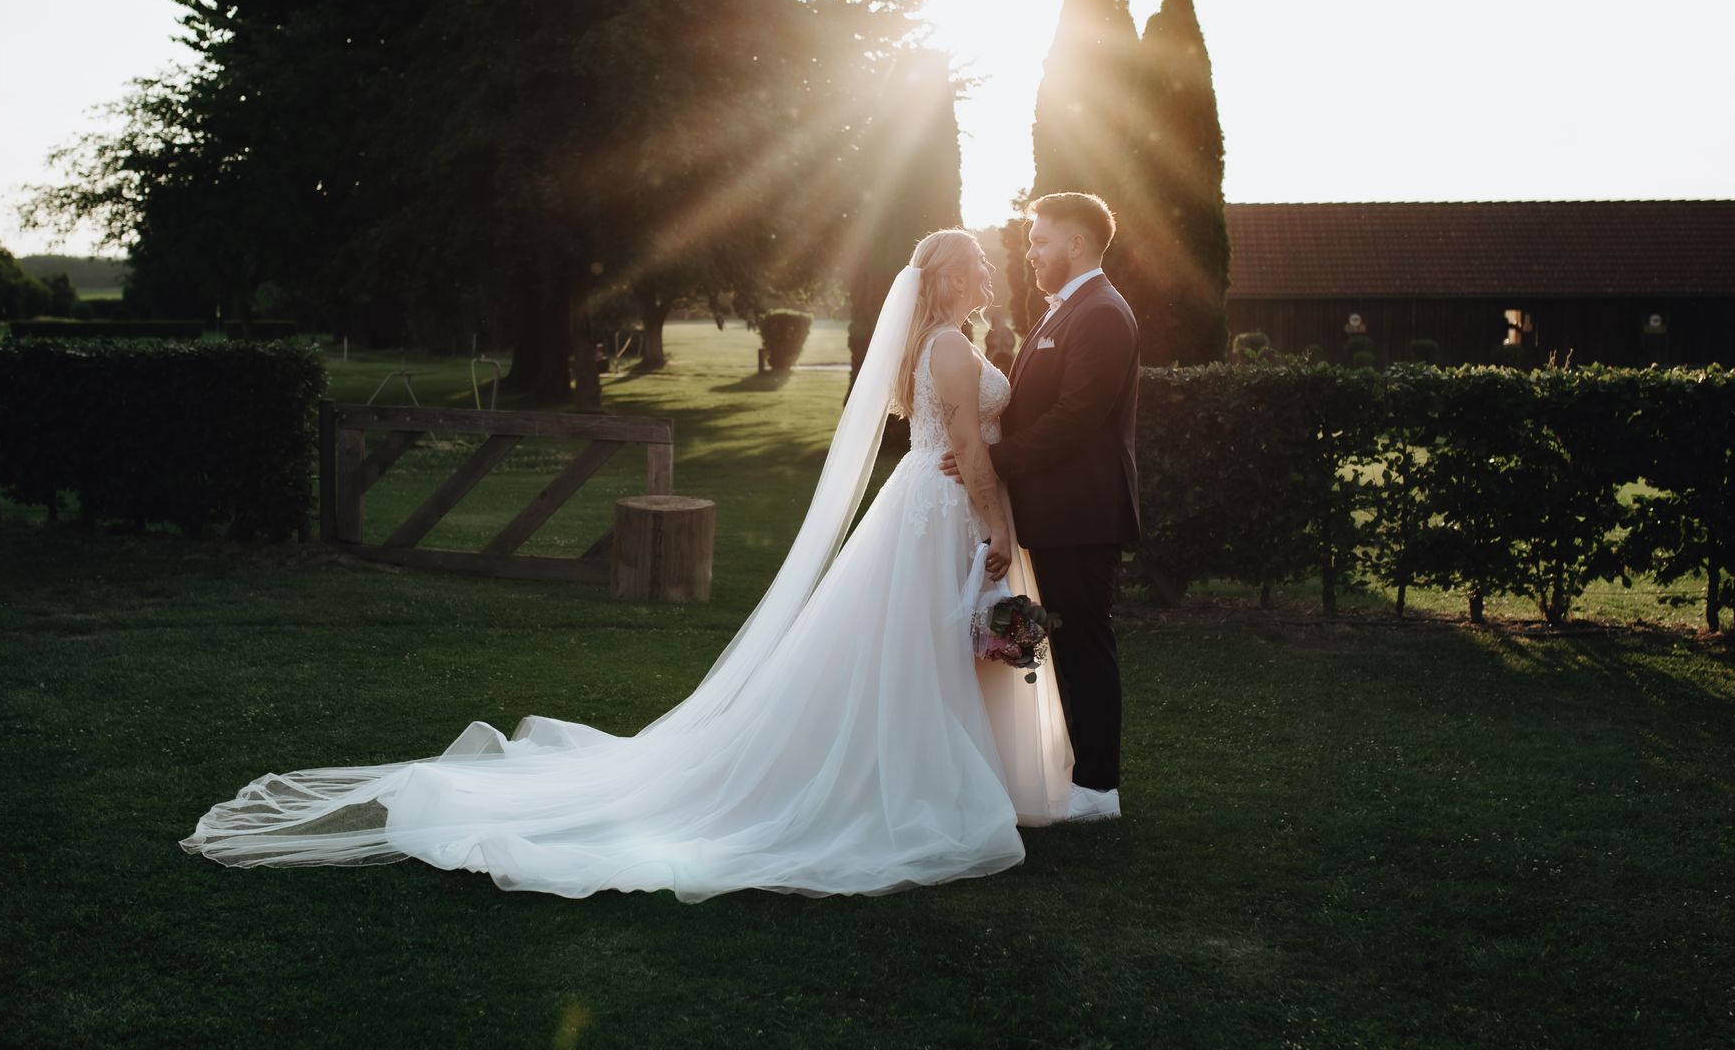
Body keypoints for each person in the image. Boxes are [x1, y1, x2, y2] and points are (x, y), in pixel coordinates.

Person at [180, 227, 1082, 902]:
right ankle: (913, 789)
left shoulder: (934, 346)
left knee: (913, 655)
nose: (993, 275)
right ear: (955, 278)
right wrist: (997, 526)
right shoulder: (953, 347)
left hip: (918, 508)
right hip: (940, 511)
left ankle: (914, 772)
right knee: (924, 652)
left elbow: (955, 437)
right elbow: (967, 444)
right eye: (982, 266)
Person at [940, 192, 1140, 820]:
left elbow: (1077, 417)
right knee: (1046, 640)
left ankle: (1098, 788)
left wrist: (992, 463)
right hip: (1051, 514)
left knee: (1084, 642)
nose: (1029, 253)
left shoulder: (1102, 313)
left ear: (1076, 244)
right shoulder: (1064, 312)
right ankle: (1043, 766)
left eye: (1040, 240)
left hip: (1081, 514)